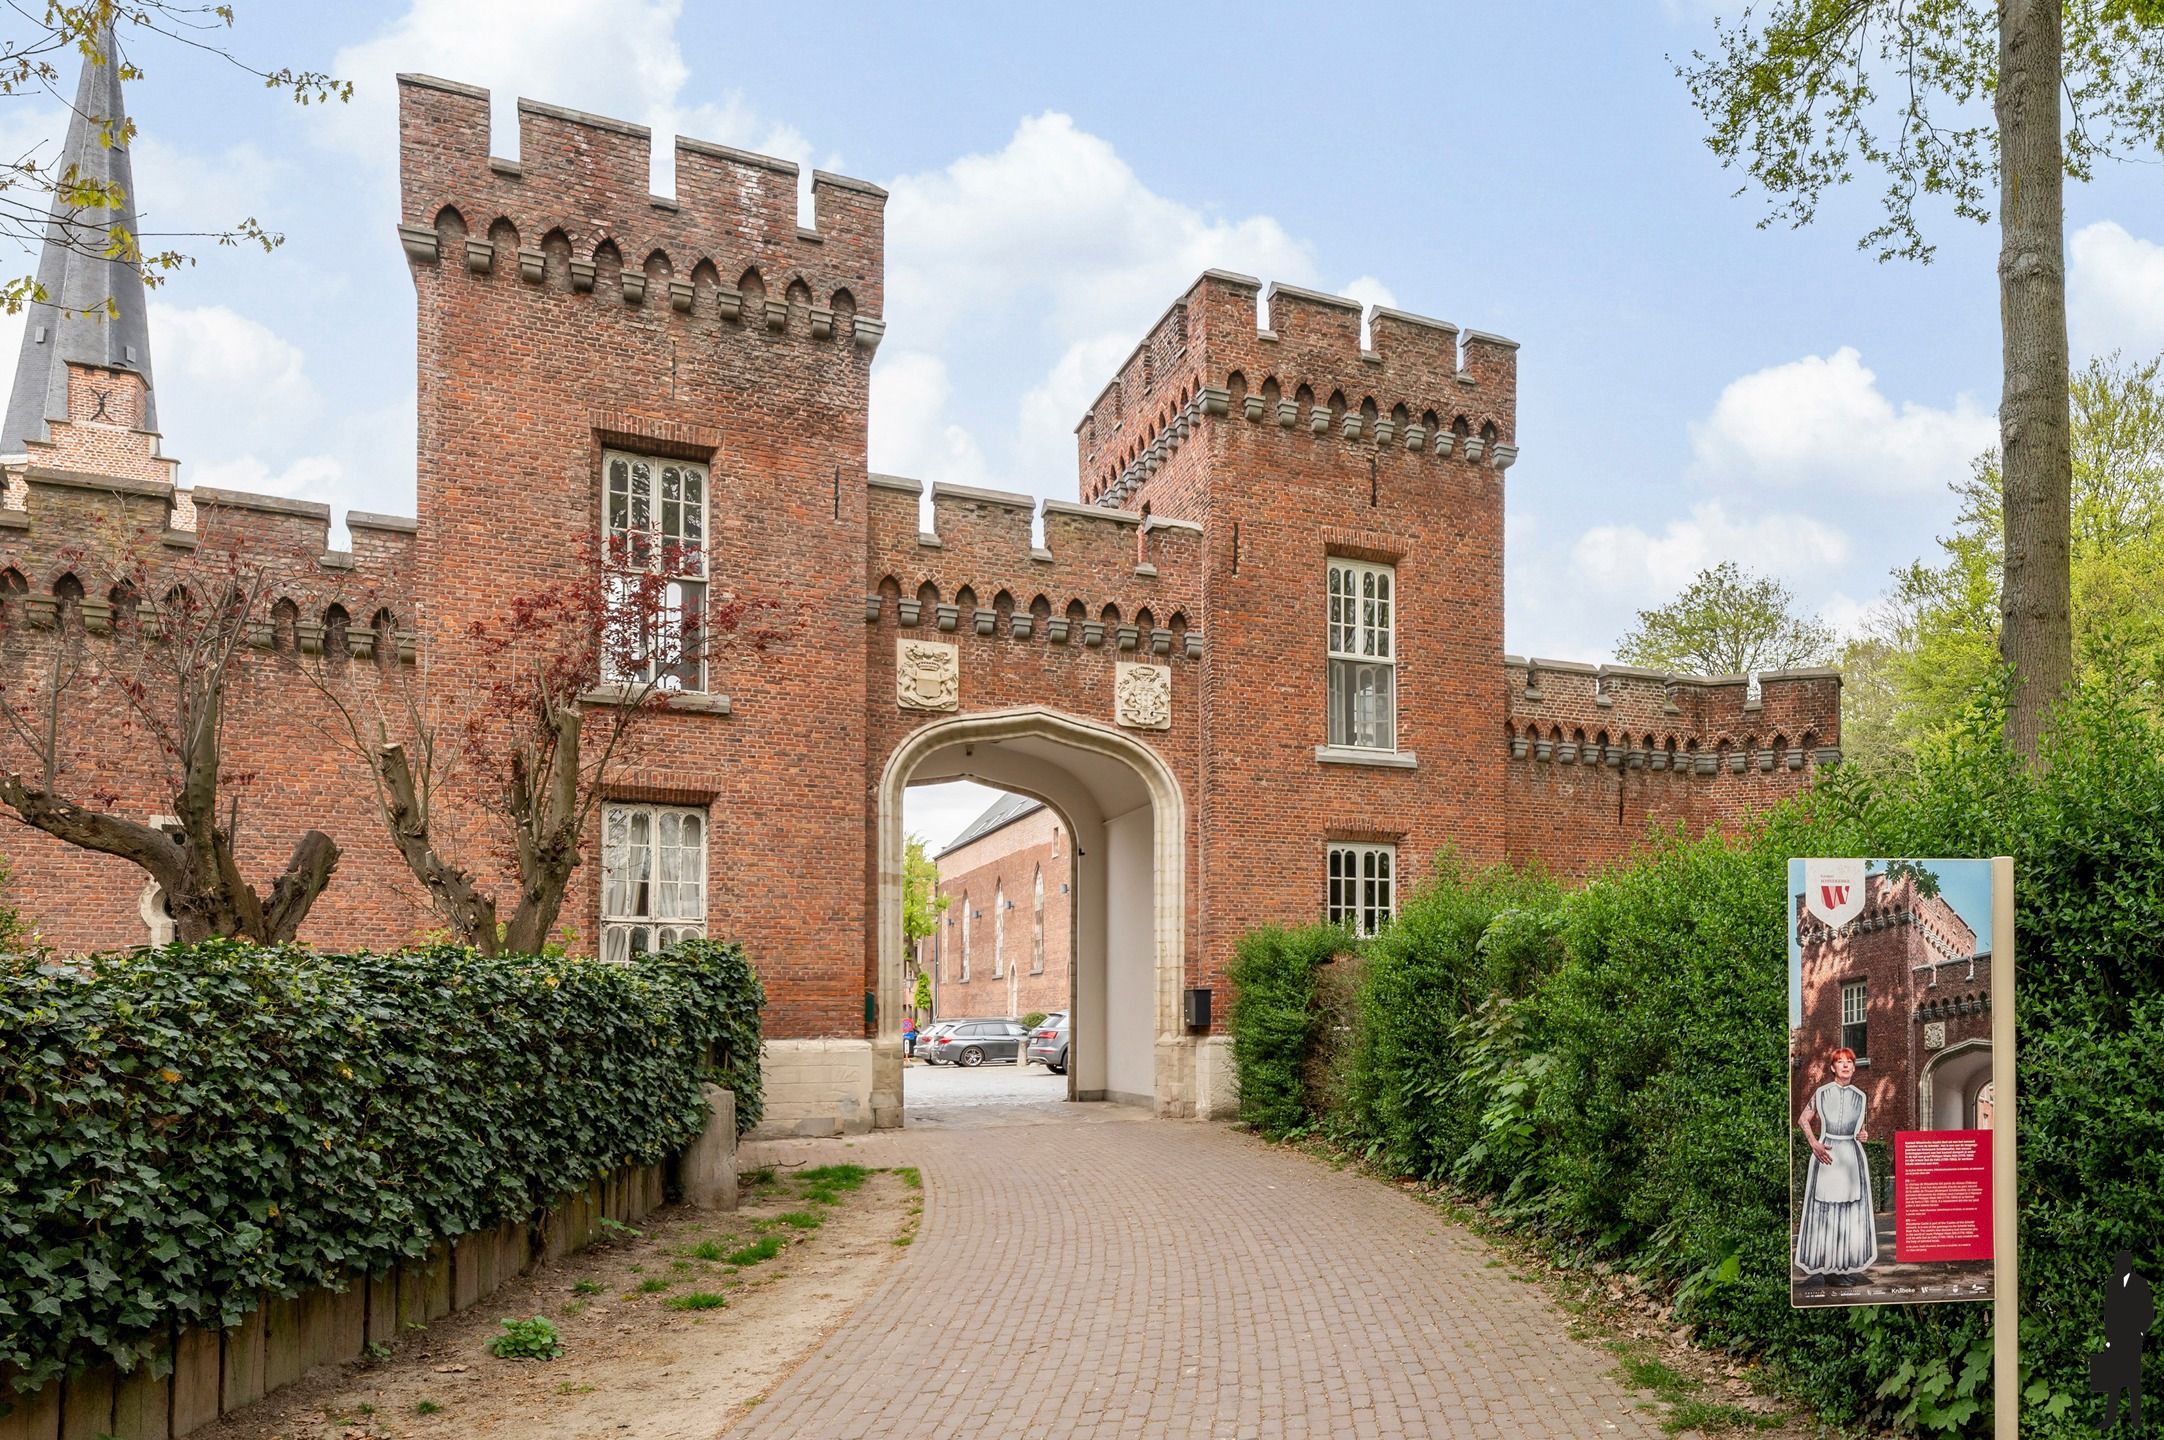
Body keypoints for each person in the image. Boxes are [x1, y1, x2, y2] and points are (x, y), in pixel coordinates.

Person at [1794, 1046, 1877, 1287]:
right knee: (1827, 1210)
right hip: (1828, 1154)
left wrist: (1863, 1135)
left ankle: (1842, 1266)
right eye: (1840, 1062)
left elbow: (1861, 1130)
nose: (1845, 1065)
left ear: (1854, 1066)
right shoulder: (1821, 1093)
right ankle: (1828, 1267)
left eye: (1849, 1062)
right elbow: (1803, 1120)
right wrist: (1814, 1144)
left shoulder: (1860, 1096)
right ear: (1832, 1068)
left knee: (1848, 1212)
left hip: (1851, 1156)